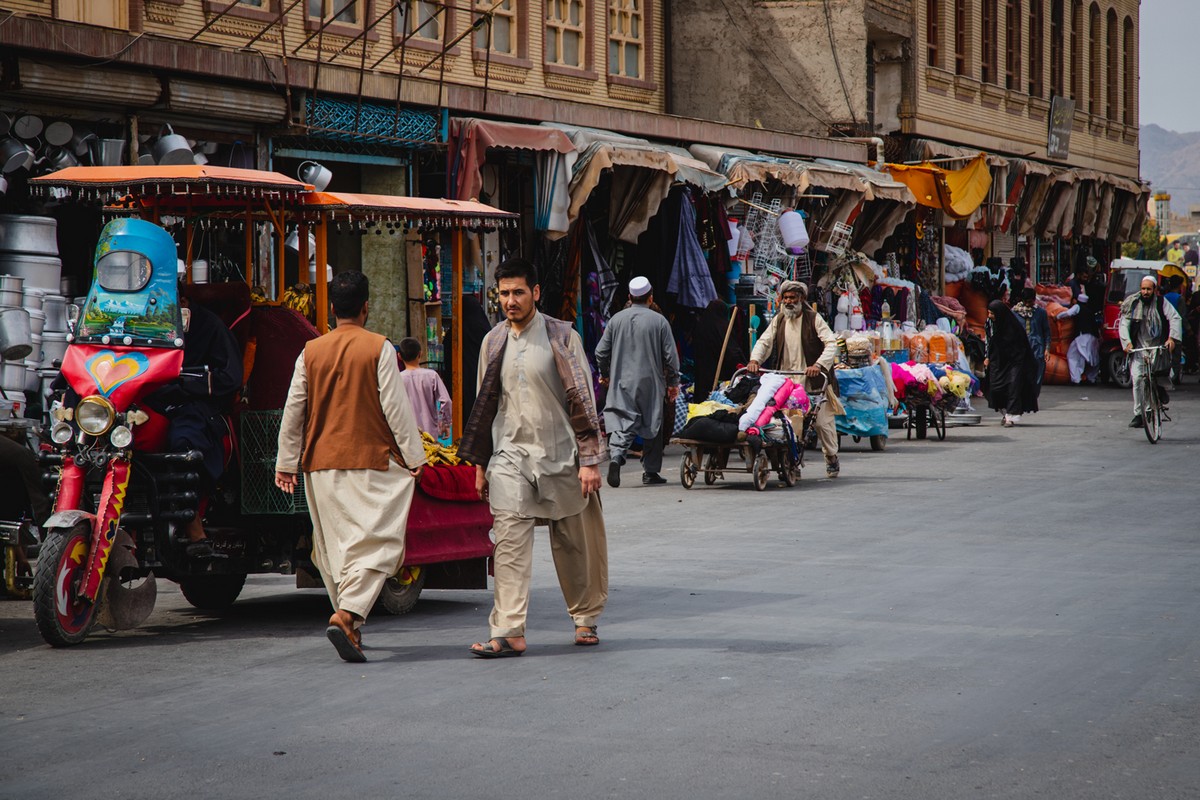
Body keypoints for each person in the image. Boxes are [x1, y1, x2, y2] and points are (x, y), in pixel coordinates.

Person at [457, 257, 608, 658]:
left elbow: (583, 399)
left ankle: (584, 618)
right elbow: (483, 407)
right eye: (504, 293)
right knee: (508, 542)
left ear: (536, 293)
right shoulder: (492, 342)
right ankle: (509, 630)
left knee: (575, 544)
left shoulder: (562, 336)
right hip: (510, 458)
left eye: (518, 292)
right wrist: (479, 463)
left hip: (561, 455)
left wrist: (589, 460)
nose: (510, 300)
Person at [275, 271, 427, 662]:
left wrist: (286, 463)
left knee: (336, 550)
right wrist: (414, 457)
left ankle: (351, 626)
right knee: (381, 543)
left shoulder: (310, 351)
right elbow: (395, 408)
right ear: (366, 307)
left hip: (320, 465)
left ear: (330, 308)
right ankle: (346, 614)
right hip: (371, 461)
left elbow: (295, 409)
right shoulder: (379, 348)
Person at [166, 290, 243, 558]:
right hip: (151, 402)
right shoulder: (143, 323)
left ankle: (194, 526)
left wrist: (184, 382)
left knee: (184, 443)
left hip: (197, 406)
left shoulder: (210, 327)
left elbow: (230, 377)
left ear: (185, 302)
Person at [746, 279, 841, 477]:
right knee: (789, 425)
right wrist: (755, 360)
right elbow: (764, 342)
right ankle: (792, 463)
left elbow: (832, 343)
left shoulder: (813, 318)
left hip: (813, 381)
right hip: (788, 381)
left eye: (793, 298)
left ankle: (831, 457)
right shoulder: (779, 319)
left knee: (823, 423)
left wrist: (819, 365)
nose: (788, 301)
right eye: (786, 298)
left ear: (801, 299)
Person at [595, 276, 681, 487]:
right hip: (651, 382)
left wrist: (605, 373)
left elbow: (600, 351)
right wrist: (672, 382)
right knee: (653, 423)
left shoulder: (616, 320)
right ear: (650, 298)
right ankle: (650, 472)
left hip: (621, 381)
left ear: (629, 297)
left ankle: (616, 456)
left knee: (623, 420)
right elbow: (671, 357)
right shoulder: (659, 321)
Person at [1119, 275, 1182, 428]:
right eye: (1143, 289)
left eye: (1148, 289)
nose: (1145, 292)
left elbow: (1175, 318)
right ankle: (1139, 414)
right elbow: (1124, 323)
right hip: (1139, 347)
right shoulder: (1133, 303)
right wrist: (1126, 343)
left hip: (1157, 347)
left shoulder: (1161, 302)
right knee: (1137, 380)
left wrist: (1172, 338)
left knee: (1156, 377)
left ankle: (1154, 400)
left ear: (1154, 290)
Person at [984, 299, 1041, 427]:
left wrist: (1018, 364)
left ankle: (1011, 416)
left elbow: (1022, 348)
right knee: (995, 388)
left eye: (992, 313)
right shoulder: (991, 324)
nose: (990, 316)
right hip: (998, 362)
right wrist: (987, 357)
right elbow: (989, 341)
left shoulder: (1014, 328)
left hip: (1015, 362)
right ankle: (1005, 412)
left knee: (1013, 387)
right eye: (989, 313)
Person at [1058, 260, 1104, 384]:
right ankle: (1091, 378)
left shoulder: (1078, 307)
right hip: (1093, 336)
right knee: (1093, 358)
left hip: (1082, 336)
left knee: (1073, 356)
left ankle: (1076, 379)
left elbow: (1067, 313)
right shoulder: (1089, 310)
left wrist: (1057, 316)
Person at [397, 336, 452, 439]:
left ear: (399, 356)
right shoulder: (432, 375)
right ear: (420, 354)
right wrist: (445, 423)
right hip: (430, 433)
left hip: (407, 435)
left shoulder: (397, 379)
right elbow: (447, 401)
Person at [692, 299, 746, 403]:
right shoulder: (723, 327)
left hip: (702, 371)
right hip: (720, 373)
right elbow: (732, 351)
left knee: (703, 395)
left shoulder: (701, 325)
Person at [1010, 287, 1050, 384]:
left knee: (1037, 373)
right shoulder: (1014, 312)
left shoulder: (1041, 313)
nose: (1028, 304)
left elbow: (1046, 331)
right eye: (1026, 302)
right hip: (1020, 347)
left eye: (1030, 302)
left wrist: (1047, 349)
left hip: (1037, 347)